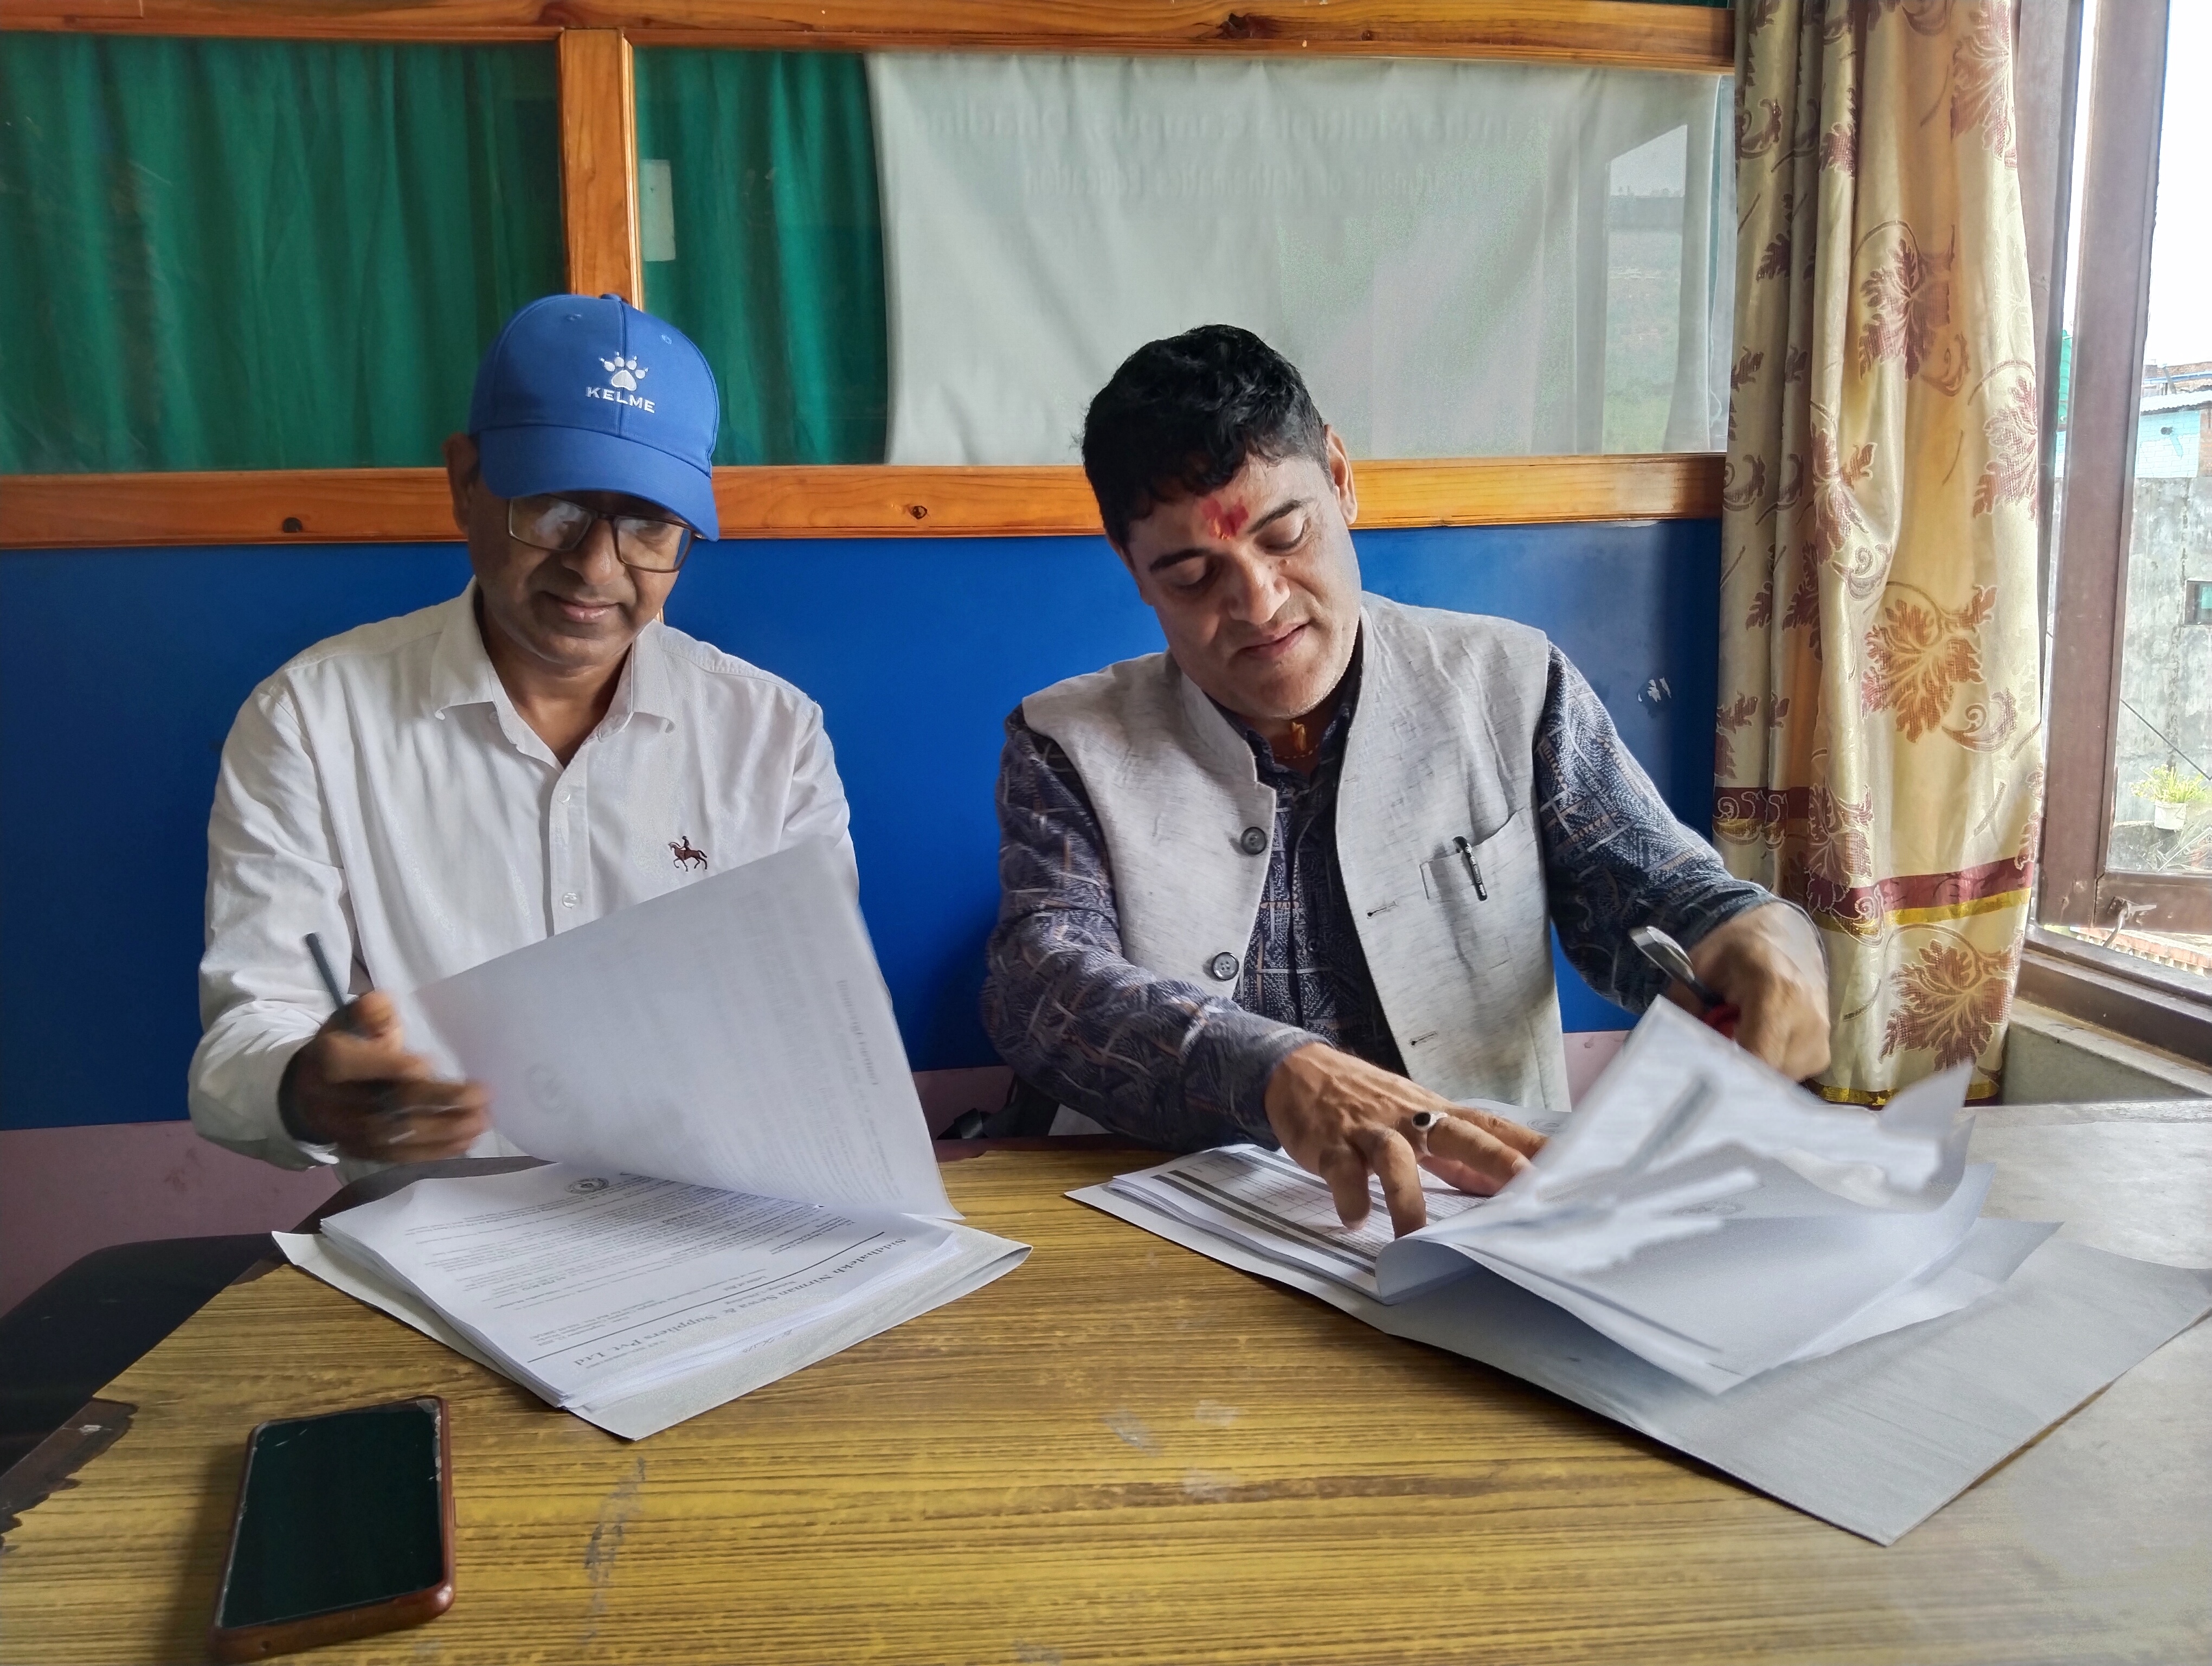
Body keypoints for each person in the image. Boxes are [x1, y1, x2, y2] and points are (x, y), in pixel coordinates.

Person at [981, 325, 1829, 1235]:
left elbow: (1652, 893)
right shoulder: (1066, 740)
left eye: (1286, 535)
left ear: (1341, 476)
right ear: (1133, 572)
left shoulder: (1509, 683)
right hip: (1163, 1234)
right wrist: (1272, 1071)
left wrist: (1758, 936)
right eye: (1192, 576)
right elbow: (1043, 980)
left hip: (1481, 1224)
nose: (1259, 604)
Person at [190, 295, 851, 1177]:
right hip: (432, 1238)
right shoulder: (312, 720)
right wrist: (312, 1087)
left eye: (649, 525)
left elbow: (812, 1013)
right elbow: (246, 1034)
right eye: (555, 508)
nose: (595, 565)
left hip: (703, 1215)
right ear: (466, 481)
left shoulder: (771, 735)